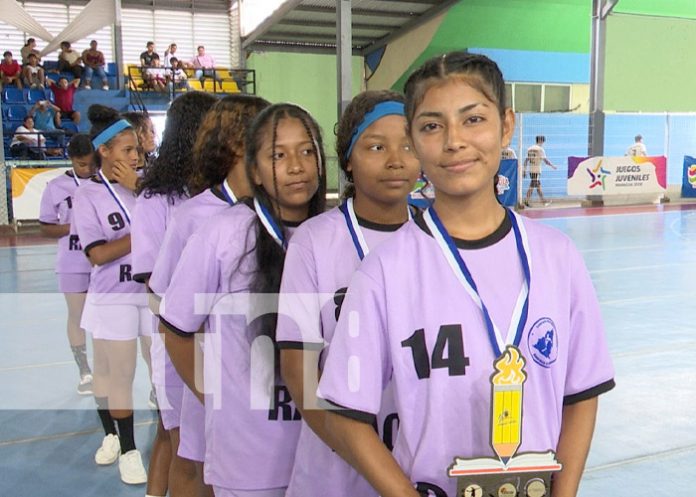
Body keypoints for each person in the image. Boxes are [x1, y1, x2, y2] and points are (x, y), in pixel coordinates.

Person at [317, 52, 615, 497]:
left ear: (506, 125)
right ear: (415, 143)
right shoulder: (384, 271)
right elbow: (347, 414)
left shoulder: (558, 257)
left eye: (473, 119)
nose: (454, 141)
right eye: (432, 126)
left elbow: (580, 395)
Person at [160, 103, 327, 497]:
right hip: (250, 455)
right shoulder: (222, 234)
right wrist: (217, 398)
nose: (296, 166)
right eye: (278, 155)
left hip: (322, 443)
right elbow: (175, 329)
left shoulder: (332, 233)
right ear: (253, 170)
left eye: (307, 151)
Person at [276, 90, 420, 497]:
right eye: (376, 146)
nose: (396, 159)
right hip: (336, 464)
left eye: (408, 145)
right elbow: (298, 369)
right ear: (348, 160)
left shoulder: (437, 238)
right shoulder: (313, 242)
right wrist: (364, 459)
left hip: (417, 459)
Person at [148, 94, 270, 497]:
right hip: (197, 368)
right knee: (194, 462)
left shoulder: (281, 213)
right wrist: (203, 384)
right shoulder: (194, 215)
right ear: (236, 143)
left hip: (253, 374)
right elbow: (162, 303)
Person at [130, 91, 217, 497]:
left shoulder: (216, 192)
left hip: (220, 336)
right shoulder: (158, 198)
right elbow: (151, 277)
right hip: (176, 334)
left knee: (204, 443)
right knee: (179, 439)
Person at [73, 104, 151, 486]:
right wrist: (145, 234)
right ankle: (127, 447)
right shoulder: (87, 196)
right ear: (104, 151)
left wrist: (144, 196)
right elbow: (99, 254)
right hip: (113, 294)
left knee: (163, 373)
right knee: (115, 374)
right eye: (126, 150)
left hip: (152, 291)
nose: (135, 156)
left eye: (137, 149)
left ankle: (123, 436)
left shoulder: (147, 187)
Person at [39, 134, 95, 395]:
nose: (87, 169)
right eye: (82, 164)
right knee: (76, 315)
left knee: (110, 316)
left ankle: (109, 364)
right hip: (73, 261)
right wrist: (74, 227)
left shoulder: (103, 183)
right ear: (71, 161)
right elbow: (46, 228)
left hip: (103, 263)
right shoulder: (56, 186)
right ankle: (84, 370)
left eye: (91, 163)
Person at [523, 135, 556, 207]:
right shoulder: (540, 149)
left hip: (531, 170)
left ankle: (543, 201)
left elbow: (526, 160)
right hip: (536, 170)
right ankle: (526, 200)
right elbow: (545, 160)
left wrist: (524, 170)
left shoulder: (530, 148)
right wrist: (552, 166)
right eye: (543, 142)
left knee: (538, 186)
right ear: (541, 141)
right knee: (532, 185)